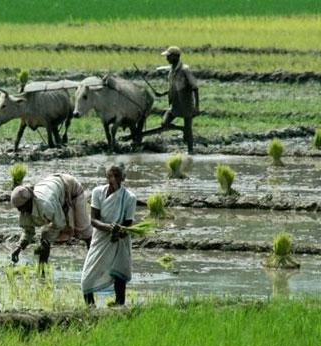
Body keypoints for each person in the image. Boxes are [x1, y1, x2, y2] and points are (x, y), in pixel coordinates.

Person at [81, 164, 137, 307]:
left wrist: (118, 231)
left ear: (123, 178)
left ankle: (119, 306)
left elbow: (128, 224)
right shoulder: (97, 192)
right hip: (100, 237)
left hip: (120, 240)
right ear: (106, 177)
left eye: (117, 176)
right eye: (110, 176)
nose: (113, 179)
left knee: (119, 275)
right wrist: (108, 227)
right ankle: (90, 307)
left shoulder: (129, 197)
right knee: (87, 277)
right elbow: (93, 219)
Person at [10, 173, 92, 264]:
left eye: (21, 208)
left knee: (84, 230)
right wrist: (19, 247)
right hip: (53, 187)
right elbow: (28, 231)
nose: (19, 210)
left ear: (28, 203)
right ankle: (42, 271)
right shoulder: (24, 211)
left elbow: (60, 223)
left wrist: (47, 239)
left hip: (70, 187)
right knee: (45, 240)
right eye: (18, 208)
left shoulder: (45, 205)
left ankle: (94, 260)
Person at [144, 46, 200, 154]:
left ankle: (190, 152)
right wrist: (163, 93)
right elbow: (173, 87)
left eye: (168, 56)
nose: (167, 58)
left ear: (175, 57)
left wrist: (197, 107)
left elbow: (195, 88)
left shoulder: (185, 70)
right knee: (164, 123)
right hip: (174, 104)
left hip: (186, 104)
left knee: (188, 129)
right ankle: (183, 130)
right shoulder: (171, 71)